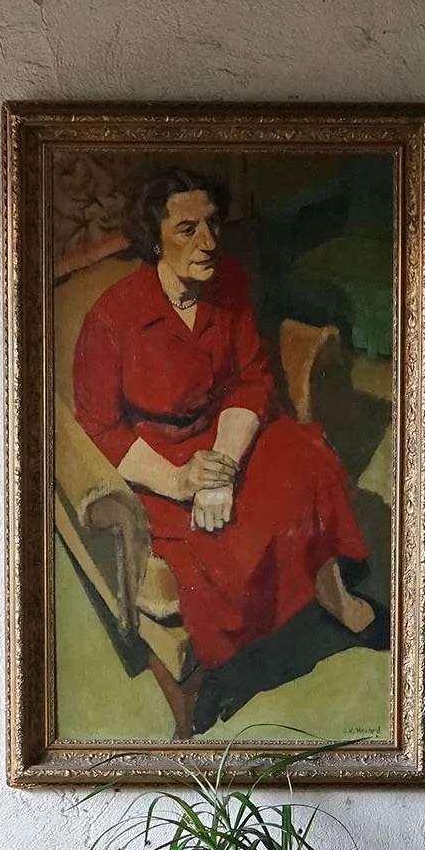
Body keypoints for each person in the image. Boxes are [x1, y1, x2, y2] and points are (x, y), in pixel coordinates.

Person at [71, 167, 377, 679]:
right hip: (157, 458)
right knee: (221, 540)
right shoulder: (112, 317)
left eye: (213, 222)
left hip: (227, 433)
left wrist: (223, 469)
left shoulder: (229, 281)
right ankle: (245, 650)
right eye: (187, 229)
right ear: (154, 238)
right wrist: (180, 481)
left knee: (310, 465)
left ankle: (335, 598)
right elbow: (102, 429)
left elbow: (251, 381)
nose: (209, 241)